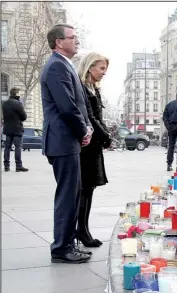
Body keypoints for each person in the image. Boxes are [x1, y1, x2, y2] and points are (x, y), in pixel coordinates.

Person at [41, 24, 93, 264]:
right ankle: (61, 248)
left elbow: (76, 105)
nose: (77, 41)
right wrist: (83, 130)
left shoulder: (63, 65)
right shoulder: (56, 67)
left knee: (72, 194)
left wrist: (86, 128)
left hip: (67, 140)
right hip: (62, 140)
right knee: (67, 195)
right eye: (73, 37)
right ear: (59, 42)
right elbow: (67, 106)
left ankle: (67, 243)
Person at [77, 52, 112, 247]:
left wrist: (105, 136)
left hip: (93, 144)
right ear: (90, 67)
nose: (104, 73)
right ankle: (81, 230)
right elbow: (90, 117)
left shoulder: (93, 89)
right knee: (84, 189)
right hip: (87, 146)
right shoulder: (83, 88)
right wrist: (106, 136)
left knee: (88, 189)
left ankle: (84, 229)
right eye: (101, 68)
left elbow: (97, 117)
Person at [2, 87, 28, 172]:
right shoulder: (18, 103)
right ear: (16, 94)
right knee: (18, 147)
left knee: (7, 147)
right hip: (17, 129)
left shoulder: (4, 104)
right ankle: (18, 166)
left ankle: (6, 166)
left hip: (7, 129)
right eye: (19, 93)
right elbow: (24, 117)